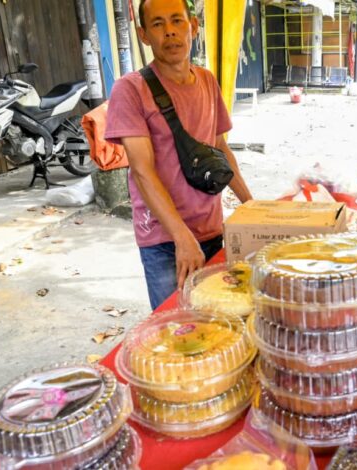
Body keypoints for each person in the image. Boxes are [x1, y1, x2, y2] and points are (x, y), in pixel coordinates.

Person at [105, 0, 253, 309]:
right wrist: (181, 237)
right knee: (175, 326)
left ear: (193, 27)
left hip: (211, 228)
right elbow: (142, 171)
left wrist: (252, 206)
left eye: (177, 21)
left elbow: (220, 148)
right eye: (158, 24)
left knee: (219, 322)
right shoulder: (130, 90)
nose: (170, 32)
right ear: (144, 35)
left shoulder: (208, 81)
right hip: (163, 239)